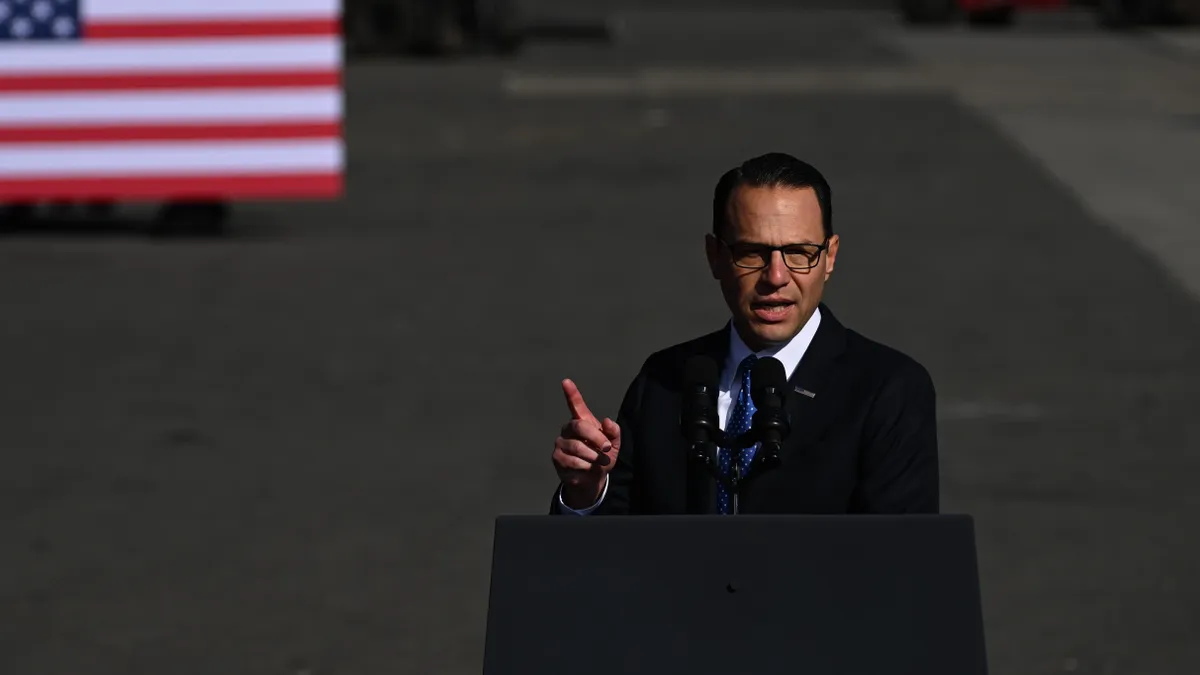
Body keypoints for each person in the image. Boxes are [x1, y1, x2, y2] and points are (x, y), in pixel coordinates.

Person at [550, 152, 939, 515]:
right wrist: (586, 494)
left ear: (830, 256)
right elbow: (606, 556)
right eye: (752, 253)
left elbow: (901, 562)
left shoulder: (887, 389)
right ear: (715, 256)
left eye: (800, 252)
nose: (776, 277)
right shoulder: (663, 381)